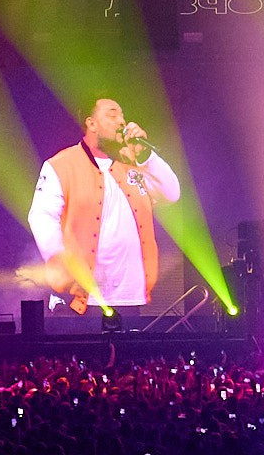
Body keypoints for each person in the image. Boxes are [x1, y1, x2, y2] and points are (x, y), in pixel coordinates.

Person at [27, 98, 183, 314]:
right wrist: (62, 263)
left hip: (131, 296)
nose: (122, 122)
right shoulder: (61, 164)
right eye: (112, 115)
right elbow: (41, 216)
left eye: (122, 115)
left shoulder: (134, 164)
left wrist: (145, 156)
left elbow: (171, 193)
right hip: (84, 298)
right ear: (91, 124)